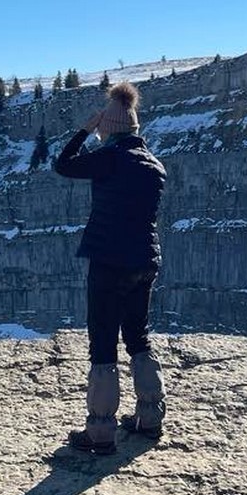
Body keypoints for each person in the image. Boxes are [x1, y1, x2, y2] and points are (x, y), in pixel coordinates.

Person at [53, 81, 167, 454]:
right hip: (145, 261)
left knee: (103, 342)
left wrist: (84, 130)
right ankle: (150, 417)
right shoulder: (154, 165)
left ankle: (101, 431)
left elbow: (63, 165)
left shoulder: (110, 157)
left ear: (110, 129)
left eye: (103, 129)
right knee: (138, 336)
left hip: (109, 262)